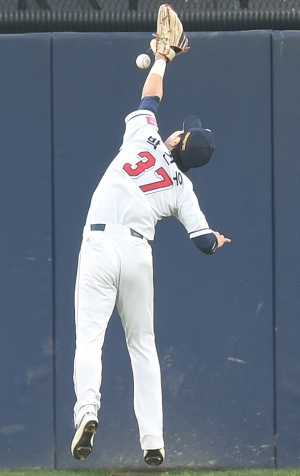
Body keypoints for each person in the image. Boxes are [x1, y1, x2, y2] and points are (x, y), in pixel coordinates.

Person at [71, 4, 231, 467]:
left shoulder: (146, 138)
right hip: (139, 254)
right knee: (142, 346)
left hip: (101, 244)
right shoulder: (185, 190)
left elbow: (151, 98)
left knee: (89, 341)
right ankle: (153, 441)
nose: (182, 131)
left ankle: (87, 410)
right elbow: (202, 242)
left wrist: (162, 58)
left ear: (179, 142)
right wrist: (217, 239)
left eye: (185, 132)